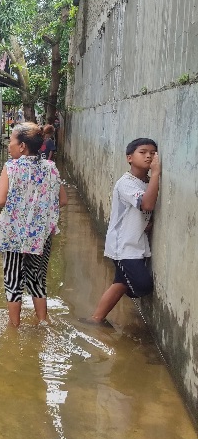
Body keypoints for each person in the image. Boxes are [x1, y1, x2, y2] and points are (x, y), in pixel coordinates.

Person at [0, 122, 67, 326]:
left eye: (11, 141)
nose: (8, 145)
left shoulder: (11, 167)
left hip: (13, 235)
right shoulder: (50, 168)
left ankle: (14, 329)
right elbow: (63, 201)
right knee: (38, 279)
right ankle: (43, 323)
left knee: (13, 281)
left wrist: (21, 204)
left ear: (22, 146)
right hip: (41, 235)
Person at [87, 138, 160, 324]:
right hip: (123, 245)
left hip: (135, 243)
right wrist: (157, 172)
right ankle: (97, 318)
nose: (149, 156)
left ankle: (96, 319)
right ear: (129, 158)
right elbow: (147, 204)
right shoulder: (125, 183)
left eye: (152, 153)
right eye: (143, 152)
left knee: (120, 282)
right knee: (142, 286)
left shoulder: (148, 182)